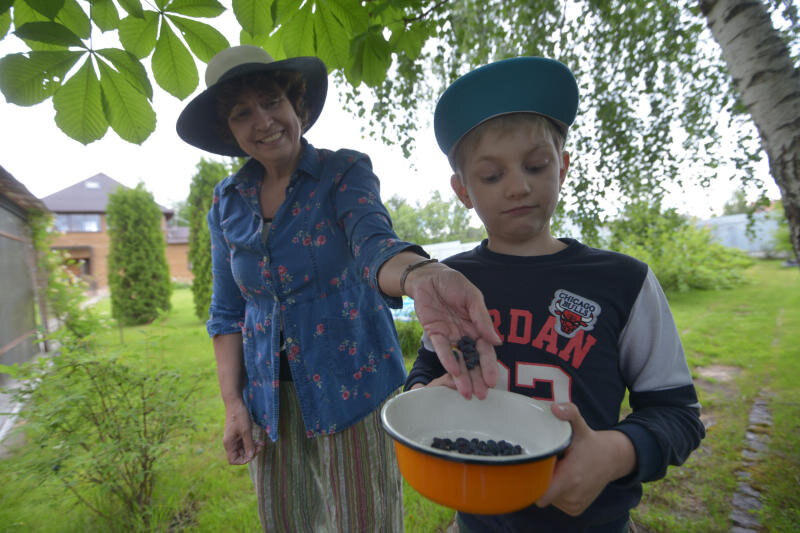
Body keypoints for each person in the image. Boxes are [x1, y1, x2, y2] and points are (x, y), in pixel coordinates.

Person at [175, 45, 501, 532]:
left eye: (271, 101)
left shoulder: (343, 172)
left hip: (352, 388)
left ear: (297, 105)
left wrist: (419, 275)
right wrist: (233, 404)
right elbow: (226, 312)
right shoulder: (226, 203)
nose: (262, 120)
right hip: (271, 405)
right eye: (242, 113)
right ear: (230, 131)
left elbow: (375, 244)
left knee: (364, 521)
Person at [404, 57, 706, 532]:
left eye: (536, 165)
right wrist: (423, 396)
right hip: (478, 522)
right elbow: (426, 369)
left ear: (562, 167)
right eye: (491, 176)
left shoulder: (624, 282)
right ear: (463, 191)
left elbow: (678, 415)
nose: (519, 186)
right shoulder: (450, 285)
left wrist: (616, 451)